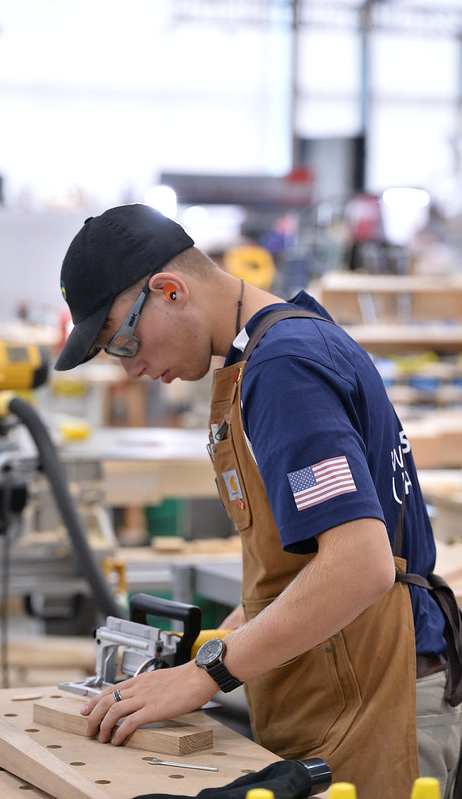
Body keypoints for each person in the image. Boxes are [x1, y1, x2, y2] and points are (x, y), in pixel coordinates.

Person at [54, 203, 461, 799]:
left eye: (122, 342)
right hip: (342, 684)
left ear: (169, 291)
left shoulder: (285, 367)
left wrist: (205, 674)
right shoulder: (272, 349)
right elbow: (300, 570)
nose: (133, 367)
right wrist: (214, 650)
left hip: (381, 698)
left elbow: (360, 565)